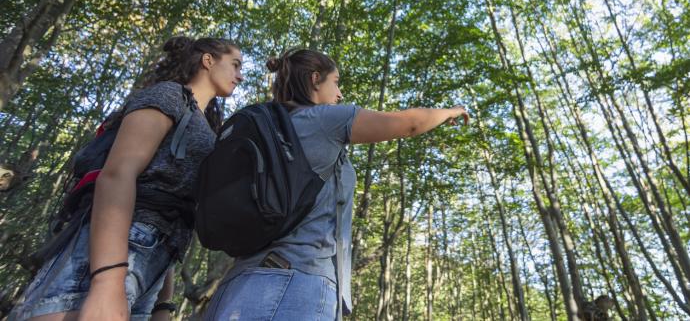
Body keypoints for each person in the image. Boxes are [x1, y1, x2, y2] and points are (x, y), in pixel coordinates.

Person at [202, 48, 469, 320]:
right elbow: (409, 124)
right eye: (336, 82)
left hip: (237, 285)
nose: (340, 94)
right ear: (315, 79)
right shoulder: (324, 121)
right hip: (294, 285)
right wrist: (451, 111)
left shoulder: (272, 128)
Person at [10, 36, 243, 321]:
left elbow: (170, 211)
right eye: (234, 65)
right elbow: (118, 174)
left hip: (151, 265)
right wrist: (107, 281)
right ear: (208, 61)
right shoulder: (169, 96)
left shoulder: (205, 125)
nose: (240, 75)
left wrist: (162, 304)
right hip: (108, 255)